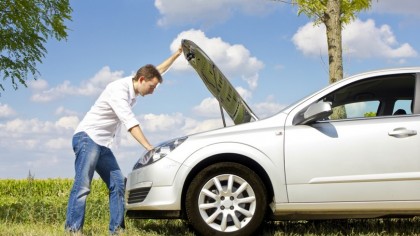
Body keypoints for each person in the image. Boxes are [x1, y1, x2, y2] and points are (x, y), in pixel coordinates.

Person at [65, 46, 183, 234]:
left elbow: (159, 70)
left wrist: (177, 55)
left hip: (102, 144)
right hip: (87, 138)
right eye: (152, 87)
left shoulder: (138, 84)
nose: (153, 91)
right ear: (142, 80)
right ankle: (72, 229)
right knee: (82, 186)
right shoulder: (118, 90)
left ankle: (117, 230)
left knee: (118, 184)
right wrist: (149, 147)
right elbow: (130, 122)